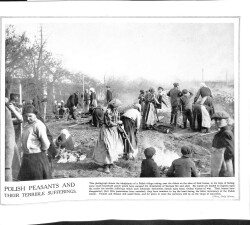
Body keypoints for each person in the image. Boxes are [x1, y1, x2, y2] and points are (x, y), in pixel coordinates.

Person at [18, 105, 52, 181]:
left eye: (30, 116)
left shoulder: (38, 125)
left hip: (36, 158)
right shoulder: (27, 124)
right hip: (27, 158)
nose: (28, 118)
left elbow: (46, 143)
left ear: (35, 115)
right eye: (26, 116)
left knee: (36, 180)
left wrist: (41, 150)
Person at [92, 99, 124, 174]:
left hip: (114, 131)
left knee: (113, 147)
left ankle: (111, 163)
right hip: (107, 130)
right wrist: (117, 123)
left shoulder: (116, 111)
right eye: (117, 106)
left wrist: (119, 122)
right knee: (107, 147)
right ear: (113, 105)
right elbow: (108, 123)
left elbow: (117, 119)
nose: (117, 108)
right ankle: (106, 166)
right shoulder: (108, 111)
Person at [211, 111, 234, 177]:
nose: (217, 121)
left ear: (226, 121)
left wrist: (224, 164)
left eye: (220, 119)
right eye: (216, 119)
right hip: (219, 162)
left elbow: (230, 151)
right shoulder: (221, 132)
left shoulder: (226, 133)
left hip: (224, 164)